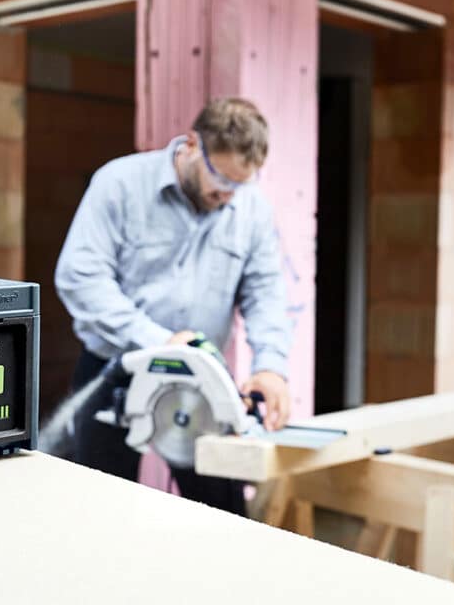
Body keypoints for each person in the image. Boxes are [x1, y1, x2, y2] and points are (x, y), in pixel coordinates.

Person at [54, 97, 292, 516]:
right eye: (221, 178)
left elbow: (265, 292)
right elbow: (81, 277)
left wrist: (271, 366)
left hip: (202, 378)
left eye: (240, 184)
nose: (228, 194)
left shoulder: (250, 207)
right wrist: (159, 342)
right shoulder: (120, 183)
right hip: (116, 368)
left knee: (223, 515)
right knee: (97, 511)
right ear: (192, 145)